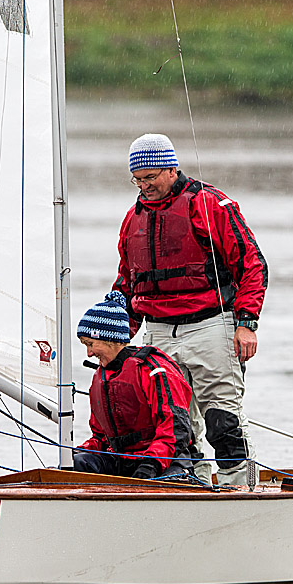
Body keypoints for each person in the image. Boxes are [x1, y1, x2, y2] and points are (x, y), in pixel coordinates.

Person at [111, 133, 268, 486]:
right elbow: (127, 283)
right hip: (157, 331)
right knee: (174, 423)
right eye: (137, 180)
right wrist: (114, 337)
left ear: (171, 169)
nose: (143, 186)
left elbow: (252, 264)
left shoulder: (212, 205)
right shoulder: (131, 219)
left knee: (222, 421)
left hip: (211, 326)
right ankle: (189, 485)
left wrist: (246, 323)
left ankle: (238, 485)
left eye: (150, 178)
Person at [73, 291, 195, 480]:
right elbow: (100, 438)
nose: (88, 353)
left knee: (166, 479)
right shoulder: (101, 377)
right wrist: (74, 454)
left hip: (164, 459)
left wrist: (151, 463)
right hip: (121, 460)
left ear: (110, 339)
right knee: (75, 464)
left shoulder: (155, 370)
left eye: (90, 344)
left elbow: (175, 429)